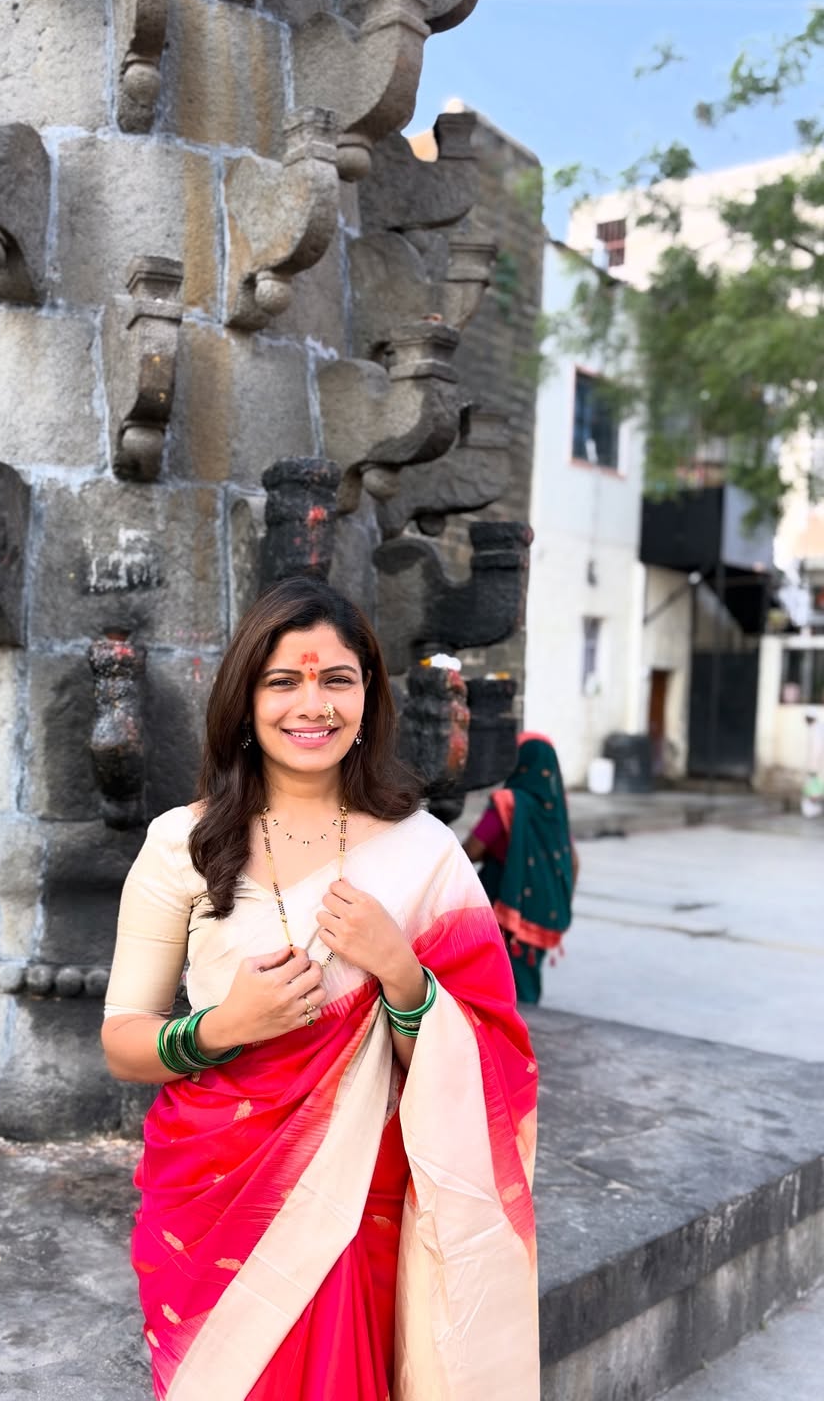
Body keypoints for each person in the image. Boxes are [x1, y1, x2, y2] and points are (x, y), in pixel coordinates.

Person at [101, 578, 539, 1400]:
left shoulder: (425, 854)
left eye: (337, 679)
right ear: (245, 700)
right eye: (284, 681)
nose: (314, 705)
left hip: (360, 1208)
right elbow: (124, 1040)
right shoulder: (179, 844)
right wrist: (220, 1027)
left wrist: (402, 973)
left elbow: (493, 1063)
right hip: (215, 1196)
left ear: (368, 696)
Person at [463, 734, 578, 1005]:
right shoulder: (555, 807)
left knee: (503, 985)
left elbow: (472, 850)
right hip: (542, 911)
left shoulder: (510, 802)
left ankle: (516, 1040)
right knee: (526, 978)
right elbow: (573, 862)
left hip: (504, 907)